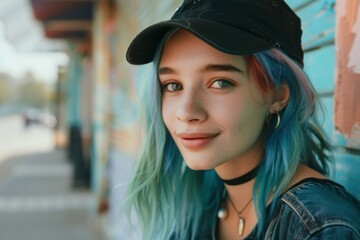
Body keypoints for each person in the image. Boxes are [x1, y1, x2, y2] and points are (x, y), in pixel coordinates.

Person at [124, 0, 360, 239]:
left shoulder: (319, 227)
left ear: (278, 94)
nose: (186, 112)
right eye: (173, 85)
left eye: (220, 82)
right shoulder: (201, 207)